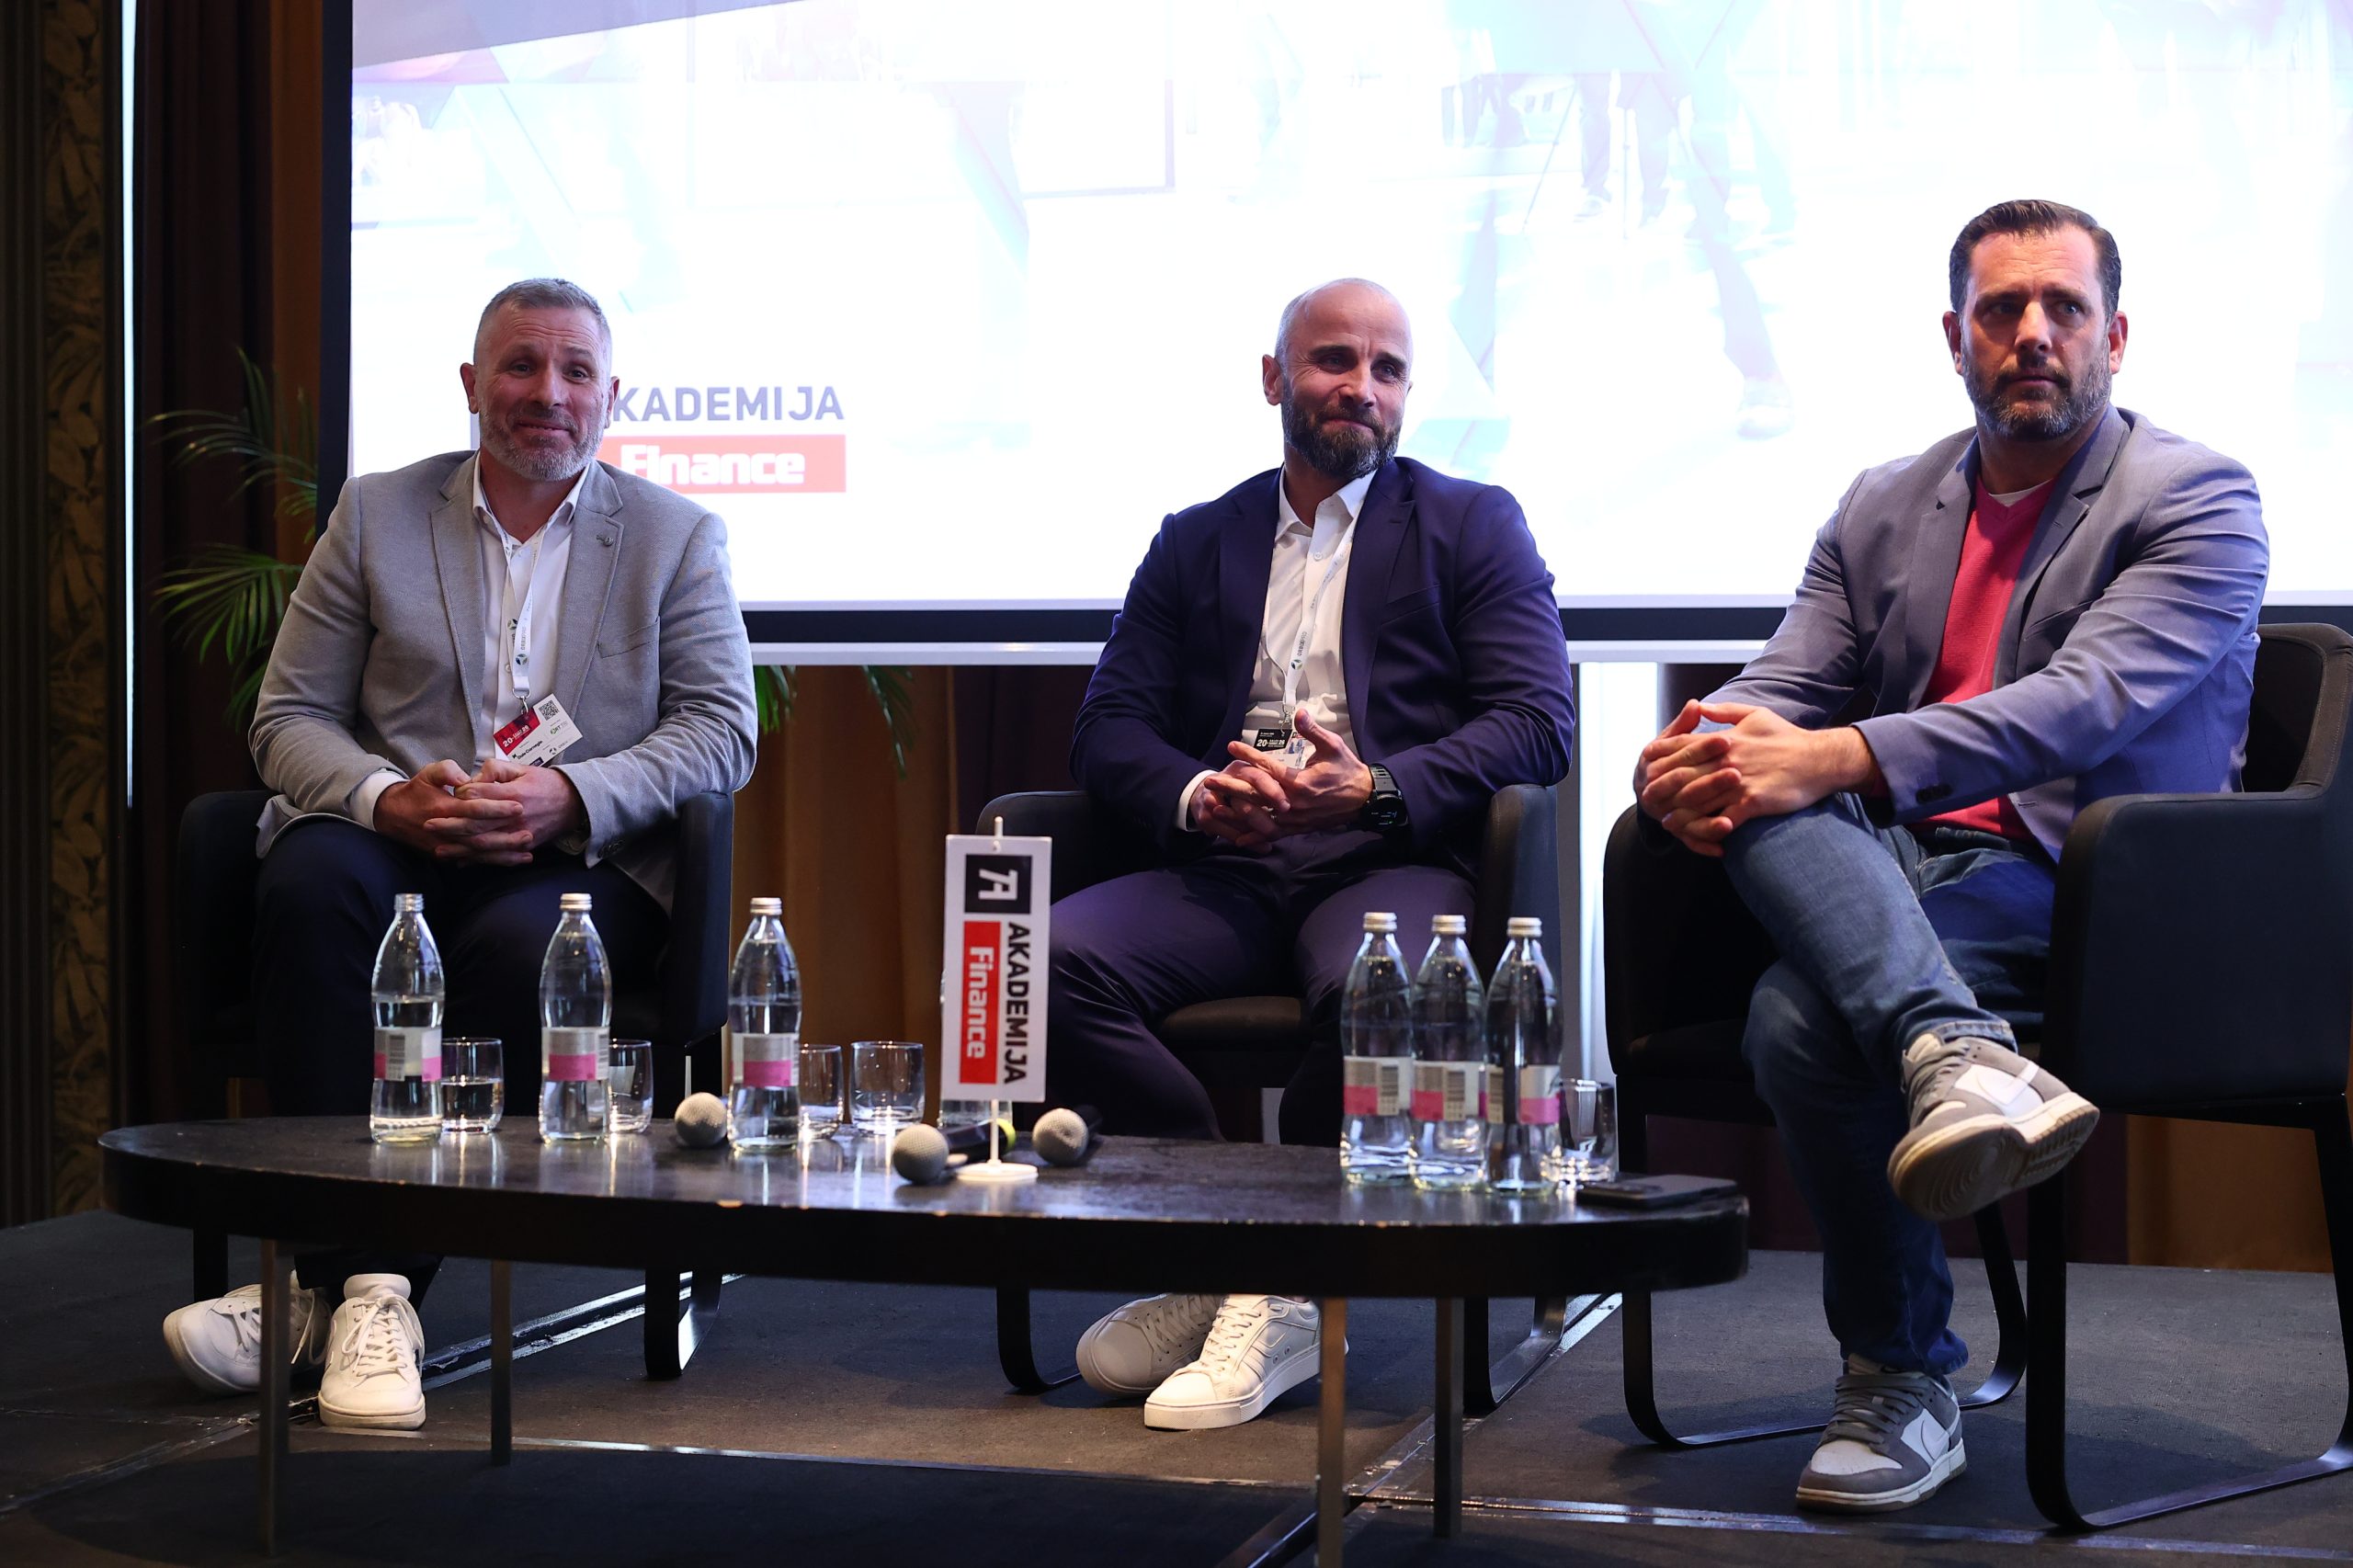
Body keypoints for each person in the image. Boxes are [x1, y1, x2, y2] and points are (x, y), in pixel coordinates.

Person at [1632, 200, 2267, 1512]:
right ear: (1954, 335)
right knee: (1757, 767)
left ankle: (1900, 1374)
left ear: (2114, 337)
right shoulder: (1881, 501)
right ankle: (1951, 1049)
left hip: (2094, 890)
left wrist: (1832, 755)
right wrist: (1686, 752)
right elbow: (1781, 684)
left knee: (1800, 1018)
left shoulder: (2197, 499)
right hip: (1898, 869)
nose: (2032, 333)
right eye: (2000, 309)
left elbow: (2078, 707)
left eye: (2064, 308)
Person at [160, 278, 757, 1431]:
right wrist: (383, 798)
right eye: (521, 365)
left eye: (575, 371)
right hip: (395, 842)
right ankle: (364, 1287)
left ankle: (340, 1290)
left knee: (527, 950)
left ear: (611, 395)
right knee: (309, 886)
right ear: (473, 384)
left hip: (575, 861)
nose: (548, 392)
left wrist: (566, 793)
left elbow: (720, 729)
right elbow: (288, 718)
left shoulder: (675, 536)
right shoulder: (377, 512)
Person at [1053, 278, 1575, 1429]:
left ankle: (1283, 1284)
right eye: (1335, 360)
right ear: (1273, 379)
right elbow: (1108, 726)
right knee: (1044, 962)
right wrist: (1200, 793)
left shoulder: (1471, 522)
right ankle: (1225, 1246)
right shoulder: (1197, 538)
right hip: (1227, 863)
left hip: (1385, 859)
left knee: (1381, 989)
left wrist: (1375, 787)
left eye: (1388, 369)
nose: (1362, 388)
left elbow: (1538, 721)